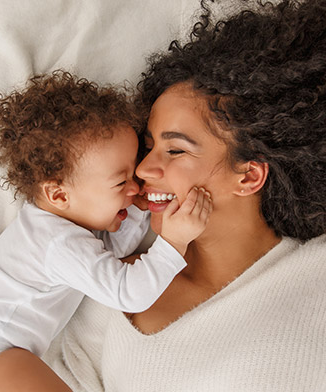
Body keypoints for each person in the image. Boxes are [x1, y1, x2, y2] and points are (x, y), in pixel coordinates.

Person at [52, 0, 325, 391]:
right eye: (148, 148)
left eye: (175, 150)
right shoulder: (112, 281)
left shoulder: (316, 274)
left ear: (249, 176)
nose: (144, 169)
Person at [0, 71, 212, 392]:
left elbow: (109, 258)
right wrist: (173, 241)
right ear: (60, 195)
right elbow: (126, 291)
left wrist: (136, 208)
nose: (135, 186)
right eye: (121, 182)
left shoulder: (58, 226)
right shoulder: (58, 243)